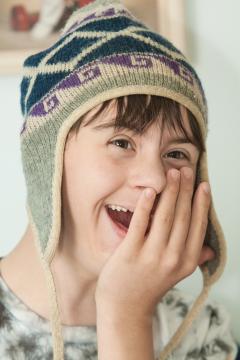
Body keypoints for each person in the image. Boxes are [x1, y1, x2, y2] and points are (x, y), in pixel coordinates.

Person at [0, 0, 238, 358]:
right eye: (122, 142)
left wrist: (125, 313)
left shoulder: (203, 329)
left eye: (176, 154)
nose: (156, 180)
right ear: (46, 158)